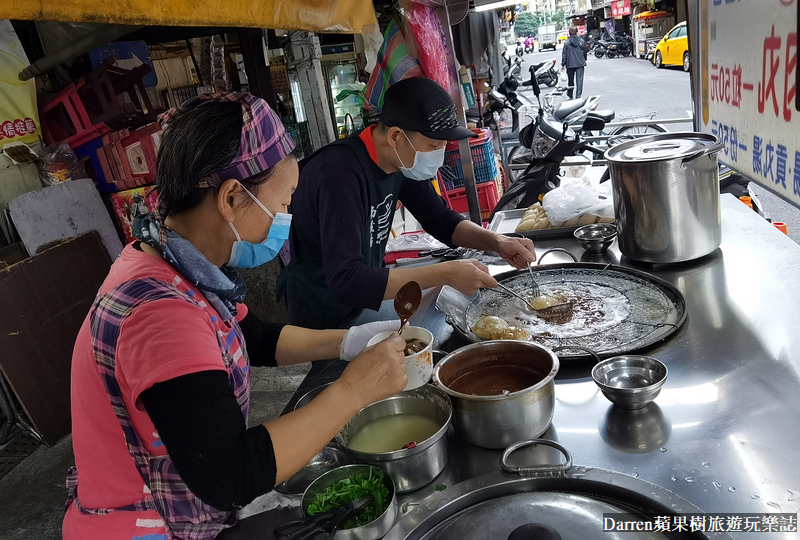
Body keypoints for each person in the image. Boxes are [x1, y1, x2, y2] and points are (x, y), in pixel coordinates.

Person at [63, 92, 408, 540]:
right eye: (283, 203)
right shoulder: (159, 314)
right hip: (143, 527)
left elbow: (252, 336)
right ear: (230, 197)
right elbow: (229, 473)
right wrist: (353, 390)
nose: (286, 217)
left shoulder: (173, 263)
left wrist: (347, 341)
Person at [279, 77, 537, 330]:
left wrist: (497, 242)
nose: (440, 154)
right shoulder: (339, 173)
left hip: (367, 299)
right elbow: (346, 279)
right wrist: (446, 273)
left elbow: (441, 220)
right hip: (325, 312)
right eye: (434, 145)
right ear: (395, 136)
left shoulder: (401, 160)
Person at [561, 27, 589, 99]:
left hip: (570, 64)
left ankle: (570, 93)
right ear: (576, 32)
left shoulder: (567, 43)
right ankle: (578, 96)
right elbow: (585, 51)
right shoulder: (581, 41)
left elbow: (564, 54)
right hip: (580, 63)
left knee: (571, 80)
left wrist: (563, 64)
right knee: (579, 80)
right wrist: (584, 59)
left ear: (569, 33)